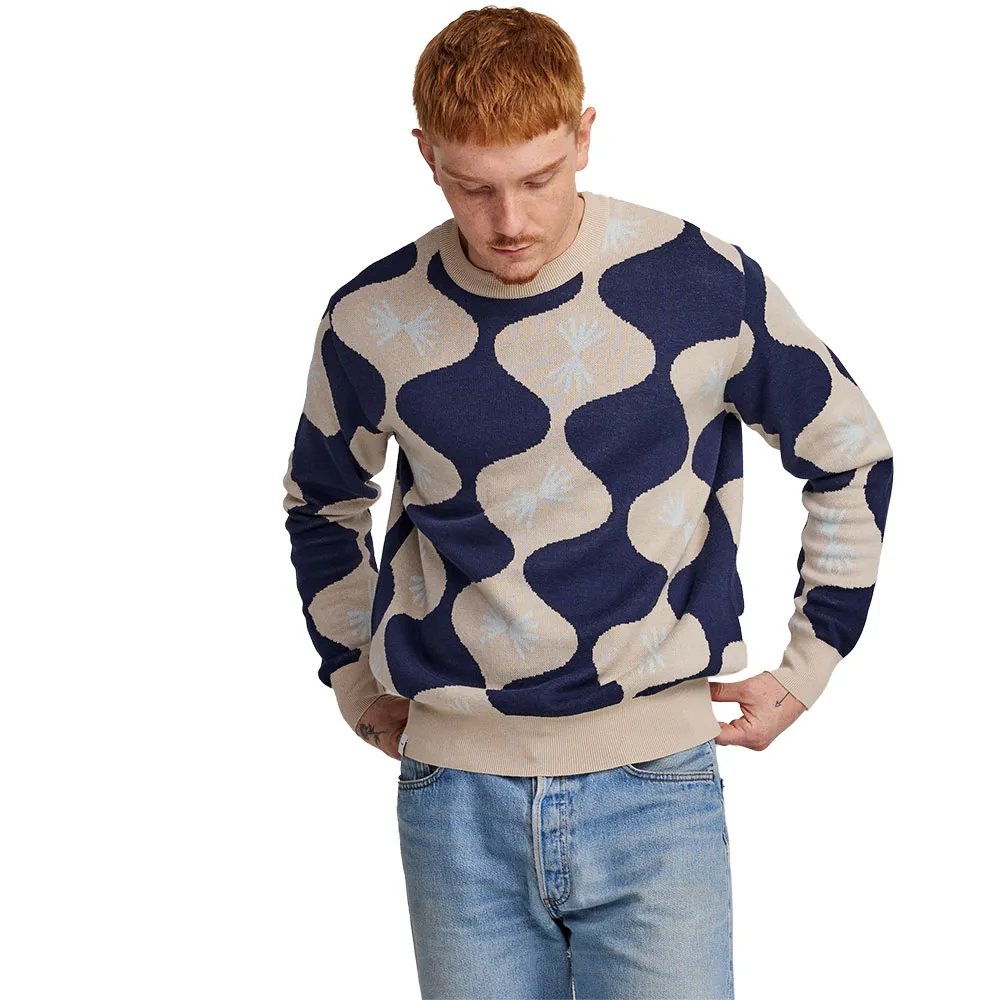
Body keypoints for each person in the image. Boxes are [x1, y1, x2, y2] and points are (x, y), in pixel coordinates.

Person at [281, 7, 894, 998]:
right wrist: (353, 679)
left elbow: (850, 451)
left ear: (584, 135)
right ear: (425, 155)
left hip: (655, 787)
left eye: (537, 178)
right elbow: (322, 503)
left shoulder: (700, 283)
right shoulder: (372, 317)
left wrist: (812, 663)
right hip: (454, 799)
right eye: (473, 187)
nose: (508, 222)